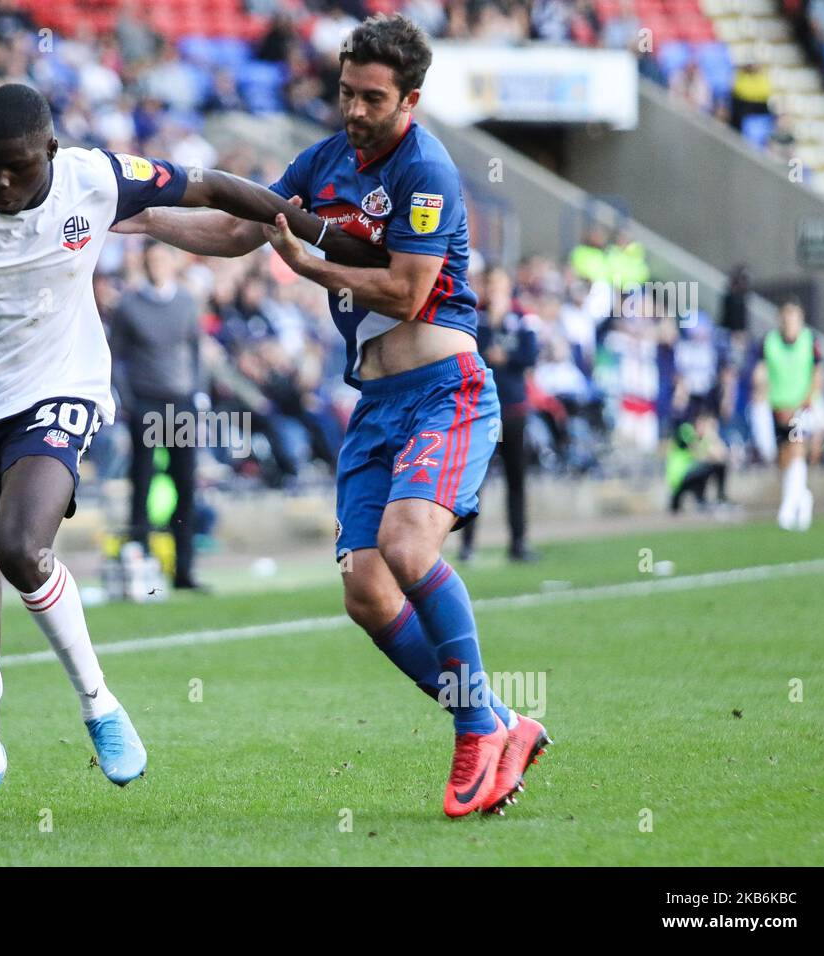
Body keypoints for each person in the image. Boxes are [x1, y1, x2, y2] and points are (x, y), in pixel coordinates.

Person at [0, 83, 381, 823]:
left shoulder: (97, 177)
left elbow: (211, 185)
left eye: (17, 168)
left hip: (59, 392)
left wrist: (323, 233)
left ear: (50, 152)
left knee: (21, 546)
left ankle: (99, 703)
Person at [118, 14, 550, 818]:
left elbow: (406, 290)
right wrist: (141, 218)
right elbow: (239, 227)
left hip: (443, 391)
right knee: (364, 591)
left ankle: (475, 729)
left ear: (410, 100)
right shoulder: (323, 161)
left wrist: (309, 266)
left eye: (371, 99)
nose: (353, 109)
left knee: (405, 547)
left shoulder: (428, 170)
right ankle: (496, 721)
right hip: (377, 404)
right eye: (346, 92)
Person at [111, 241, 204, 590]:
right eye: (152, 260)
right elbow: (116, 357)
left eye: (163, 259)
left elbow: (196, 352)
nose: (158, 266)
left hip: (180, 402)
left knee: (185, 486)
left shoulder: (186, 303)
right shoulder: (129, 305)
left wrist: (197, 393)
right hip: (146, 401)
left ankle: (184, 569)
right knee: (143, 483)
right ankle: (142, 566)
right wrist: (129, 401)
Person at [458, 265, 539, 562]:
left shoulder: (521, 317)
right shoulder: (474, 315)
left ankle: (518, 543)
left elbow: (531, 355)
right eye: (488, 282)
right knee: (475, 479)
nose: (492, 288)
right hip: (482, 411)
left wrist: (507, 356)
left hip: (514, 408)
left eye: (497, 282)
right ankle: (467, 545)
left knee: (516, 478)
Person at [754, 299, 824, 531]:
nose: (789, 322)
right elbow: (762, 372)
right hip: (777, 408)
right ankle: (802, 497)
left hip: (801, 406)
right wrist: (761, 395)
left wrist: (804, 402)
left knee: (796, 449)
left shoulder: (809, 340)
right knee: (783, 459)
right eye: (786, 317)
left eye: (793, 317)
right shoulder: (770, 342)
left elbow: (817, 373)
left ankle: (787, 509)